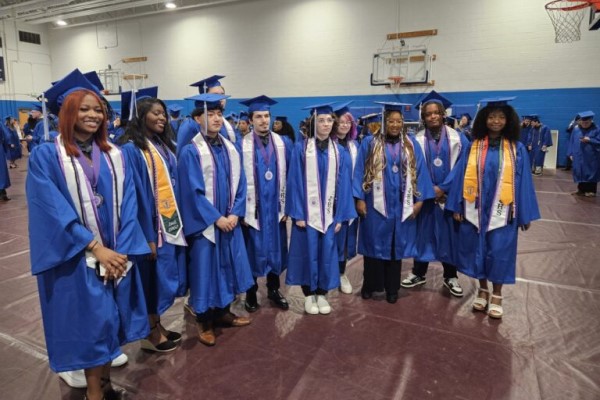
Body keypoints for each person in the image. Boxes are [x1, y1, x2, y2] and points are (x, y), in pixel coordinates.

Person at [26, 69, 150, 400]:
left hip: (115, 256)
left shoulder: (114, 155)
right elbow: (52, 210)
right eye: (84, 109)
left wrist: (120, 252)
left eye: (98, 109)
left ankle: (105, 386)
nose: (93, 115)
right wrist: (96, 248)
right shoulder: (46, 156)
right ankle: (94, 393)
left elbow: (130, 203)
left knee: (110, 322)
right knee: (92, 326)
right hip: (77, 257)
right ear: (67, 113)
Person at [445, 97, 540, 319]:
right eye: (491, 117)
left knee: (500, 251)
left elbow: (524, 183)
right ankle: (483, 290)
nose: (496, 121)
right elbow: (460, 177)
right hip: (475, 209)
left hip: (503, 212)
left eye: (501, 117)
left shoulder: (517, 149)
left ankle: (497, 294)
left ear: (508, 121)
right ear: (484, 120)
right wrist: (457, 205)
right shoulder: (473, 147)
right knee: (478, 250)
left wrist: (524, 214)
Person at [177, 93, 253, 346]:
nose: (217, 118)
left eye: (219, 114)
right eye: (210, 114)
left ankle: (223, 313)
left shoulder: (231, 148)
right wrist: (216, 218)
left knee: (228, 266)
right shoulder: (191, 152)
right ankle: (204, 320)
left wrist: (235, 213)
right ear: (198, 119)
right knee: (205, 271)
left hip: (229, 221)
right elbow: (192, 192)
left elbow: (242, 184)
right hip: (206, 225)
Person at [118, 92, 187, 353]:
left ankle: (156, 324)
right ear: (140, 116)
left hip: (166, 224)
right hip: (150, 229)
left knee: (158, 280)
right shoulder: (131, 150)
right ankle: (149, 333)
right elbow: (135, 197)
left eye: (163, 113)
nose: (162, 118)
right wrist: (146, 236)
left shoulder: (161, 144)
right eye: (155, 113)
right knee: (148, 280)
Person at [354, 102, 434, 304]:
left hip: (401, 205)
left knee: (394, 248)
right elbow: (359, 171)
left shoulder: (411, 144)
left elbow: (421, 171)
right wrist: (359, 199)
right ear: (384, 122)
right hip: (374, 205)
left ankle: (392, 288)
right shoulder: (370, 143)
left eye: (399, 121)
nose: (396, 125)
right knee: (373, 245)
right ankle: (370, 285)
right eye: (391, 121)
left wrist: (419, 202)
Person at [286, 103, 356, 315]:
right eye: (321, 120)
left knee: (327, 253)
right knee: (306, 252)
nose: (326, 124)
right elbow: (294, 181)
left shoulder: (340, 152)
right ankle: (309, 294)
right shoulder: (301, 149)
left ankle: (322, 293)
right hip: (306, 215)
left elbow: (345, 187)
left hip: (329, 215)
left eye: (329, 120)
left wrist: (340, 216)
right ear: (313, 123)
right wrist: (298, 213)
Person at [401, 95, 469, 297]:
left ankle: (451, 276)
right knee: (423, 234)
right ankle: (418, 273)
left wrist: (444, 188)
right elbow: (413, 168)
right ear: (423, 117)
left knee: (450, 236)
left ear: (443, 114)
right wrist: (430, 189)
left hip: (450, 196)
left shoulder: (459, 139)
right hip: (426, 196)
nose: (432, 117)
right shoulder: (416, 140)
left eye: (436, 113)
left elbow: (463, 167)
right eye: (428, 114)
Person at [239, 95, 292, 312]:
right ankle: (251, 292)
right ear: (251, 120)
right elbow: (237, 180)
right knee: (252, 249)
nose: (264, 120)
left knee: (275, 249)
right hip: (254, 209)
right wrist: (242, 210)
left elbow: (291, 175)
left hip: (276, 208)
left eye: (267, 116)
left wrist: (287, 206)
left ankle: (273, 289)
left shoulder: (283, 143)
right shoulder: (241, 145)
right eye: (259, 116)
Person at [332, 102, 359, 294]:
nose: (344, 125)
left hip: (350, 200)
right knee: (331, 237)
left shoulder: (354, 146)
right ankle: (328, 274)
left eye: (348, 122)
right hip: (331, 200)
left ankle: (341, 273)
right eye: (341, 122)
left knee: (346, 238)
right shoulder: (326, 145)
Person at [177, 75, 237, 153]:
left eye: (223, 94)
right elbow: (183, 154)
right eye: (215, 95)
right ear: (205, 96)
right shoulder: (189, 125)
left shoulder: (225, 123)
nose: (221, 98)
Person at [567, 111, 600, 197]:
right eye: (582, 122)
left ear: (591, 121)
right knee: (580, 171)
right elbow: (571, 141)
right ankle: (581, 190)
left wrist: (590, 140)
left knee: (590, 172)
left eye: (587, 122)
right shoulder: (576, 129)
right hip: (578, 155)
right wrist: (570, 153)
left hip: (591, 156)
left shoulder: (596, 129)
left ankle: (591, 191)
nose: (584, 124)